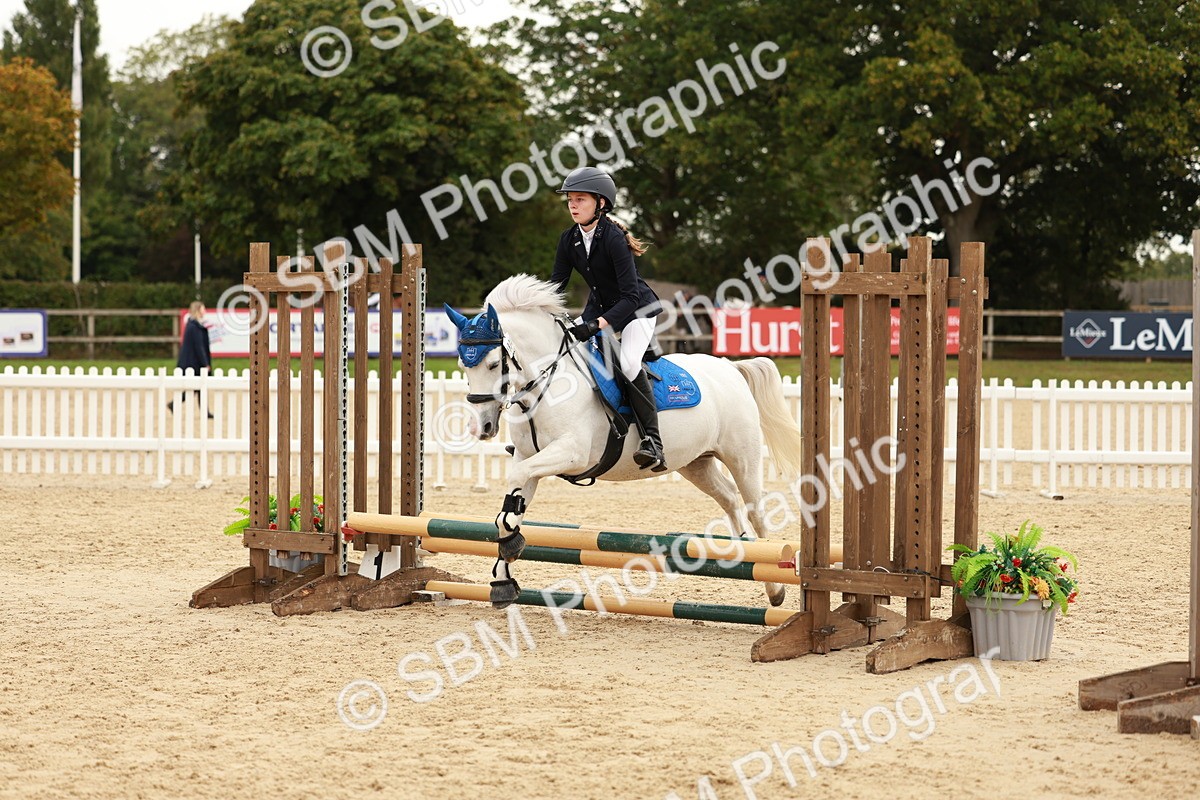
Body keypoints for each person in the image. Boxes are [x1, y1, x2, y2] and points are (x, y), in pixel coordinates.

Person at [552, 166, 666, 472]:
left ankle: (653, 442)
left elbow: (629, 296)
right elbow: (556, 286)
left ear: (600, 203)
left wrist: (596, 325)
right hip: (600, 309)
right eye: (570, 201)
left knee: (628, 363)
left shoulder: (614, 238)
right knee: (570, 357)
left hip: (636, 310)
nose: (572, 205)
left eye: (579, 200)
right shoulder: (569, 239)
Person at [169, 300, 213, 418]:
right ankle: (174, 404)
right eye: (203, 308)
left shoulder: (193, 325)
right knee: (196, 388)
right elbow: (199, 347)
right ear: (198, 310)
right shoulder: (194, 327)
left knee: (198, 388)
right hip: (194, 363)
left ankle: (204, 411)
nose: (205, 311)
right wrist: (205, 363)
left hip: (193, 362)